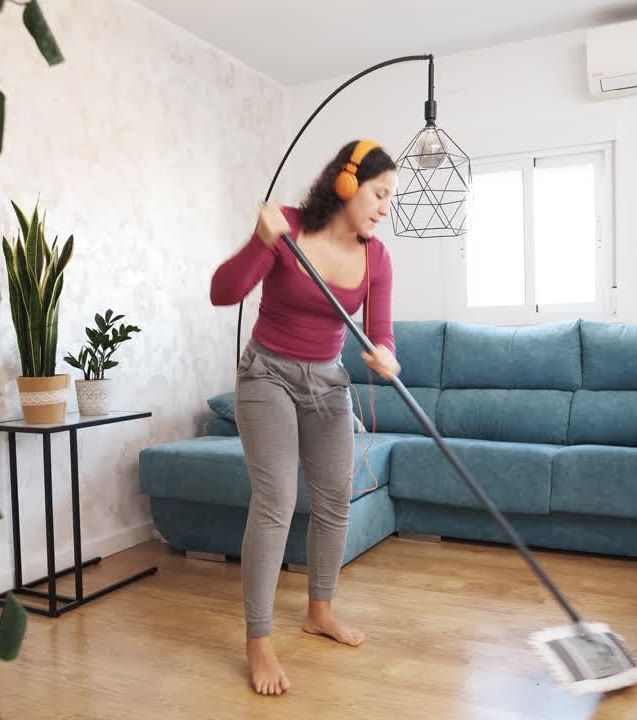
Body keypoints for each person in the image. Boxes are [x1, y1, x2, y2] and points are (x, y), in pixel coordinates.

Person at [209, 139, 401, 696]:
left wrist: (386, 355)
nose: (385, 206)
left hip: (327, 383)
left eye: (390, 196)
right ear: (346, 183)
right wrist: (259, 241)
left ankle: (320, 610)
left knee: (335, 497)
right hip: (266, 375)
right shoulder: (287, 228)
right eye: (379, 193)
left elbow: (382, 331)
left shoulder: (376, 258)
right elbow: (223, 292)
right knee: (276, 499)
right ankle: (258, 638)